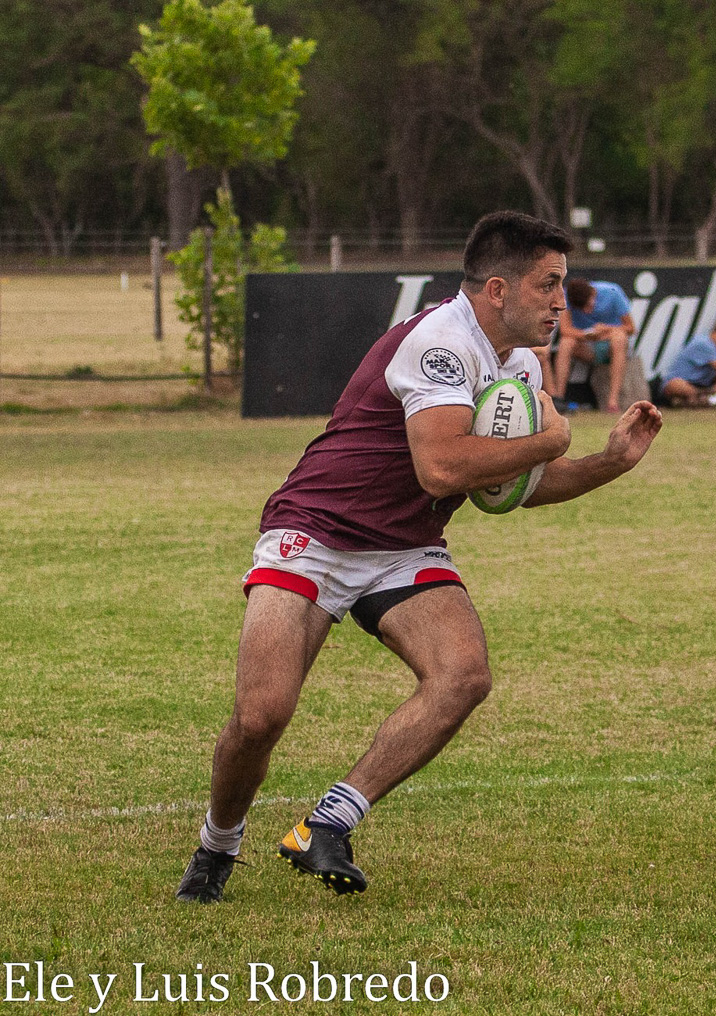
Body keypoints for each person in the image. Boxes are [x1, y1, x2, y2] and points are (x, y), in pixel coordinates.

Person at [174, 212, 664, 903]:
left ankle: (327, 824)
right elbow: (441, 468)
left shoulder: (518, 363)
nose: (562, 302)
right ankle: (216, 847)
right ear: (498, 289)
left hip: (404, 546)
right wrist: (549, 440)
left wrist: (607, 462)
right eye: (549, 285)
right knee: (262, 716)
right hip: (314, 532)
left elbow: (509, 486)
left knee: (463, 675)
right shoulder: (440, 342)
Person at [554, 277, 635, 413]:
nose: (586, 311)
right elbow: (565, 330)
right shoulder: (567, 295)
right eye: (581, 309)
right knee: (566, 343)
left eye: (588, 306)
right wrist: (586, 335)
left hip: (610, 344)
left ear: (593, 294)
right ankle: (559, 399)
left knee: (619, 338)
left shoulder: (612, 292)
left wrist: (606, 329)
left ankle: (612, 401)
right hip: (587, 345)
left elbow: (631, 328)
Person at [657, 312, 716, 407]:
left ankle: (696, 400)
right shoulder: (704, 343)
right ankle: (699, 399)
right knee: (677, 384)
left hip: (702, 389)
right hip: (679, 385)